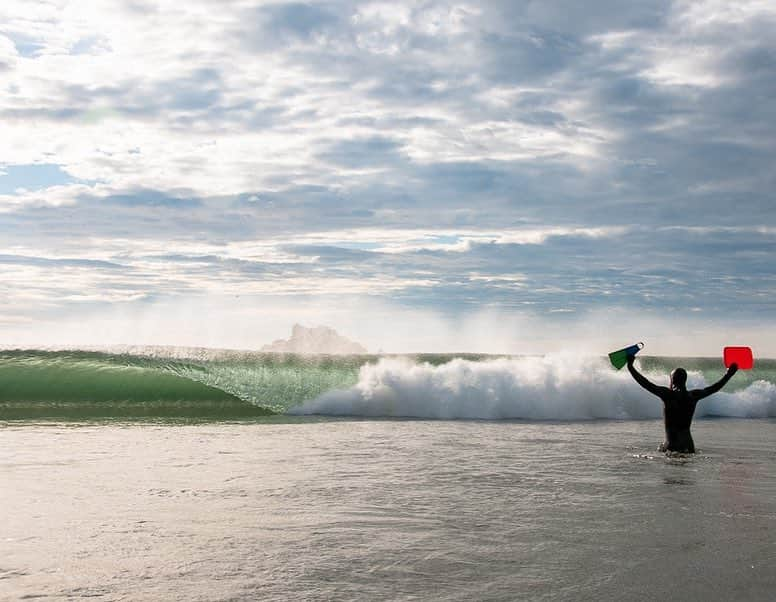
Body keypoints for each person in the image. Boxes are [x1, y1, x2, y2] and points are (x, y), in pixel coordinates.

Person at [627, 355, 738, 453]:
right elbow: (714, 388)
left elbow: (645, 383)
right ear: (684, 381)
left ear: (672, 381)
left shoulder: (667, 395)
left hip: (672, 445)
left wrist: (630, 367)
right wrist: (728, 374)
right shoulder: (693, 396)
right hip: (689, 446)